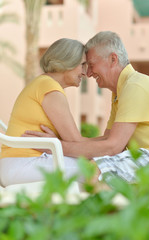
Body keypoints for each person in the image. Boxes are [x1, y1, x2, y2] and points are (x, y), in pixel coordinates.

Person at [25, 31, 149, 184]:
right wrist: (56, 144)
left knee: (95, 169)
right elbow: (106, 140)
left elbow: (113, 147)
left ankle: (103, 208)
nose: (89, 73)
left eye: (91, 65)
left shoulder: (135, 86)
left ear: (113, 59)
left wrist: (56, 147)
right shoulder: (121, 91)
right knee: (93, 165)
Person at [0, 38, 91, 187]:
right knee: (97, 169)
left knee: (94, 166)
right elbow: (77, 143)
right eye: (82, 65)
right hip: (22, 164)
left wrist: (108, 142)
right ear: (68, 61)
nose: (85, 73)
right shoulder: (50, 88)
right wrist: (111, 146)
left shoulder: (45, 84)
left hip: (17, 164)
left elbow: (74, 143)